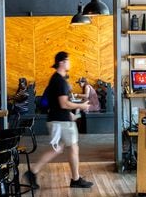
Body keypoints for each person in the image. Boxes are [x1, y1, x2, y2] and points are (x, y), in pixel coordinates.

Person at [24, 51, 94, 188]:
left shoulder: (57, 79)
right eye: (68, 60)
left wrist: (71, 114)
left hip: (59, 119)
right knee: (73, 148)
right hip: (61, 122)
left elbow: (59, 104)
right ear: (62, 62)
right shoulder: (60, 81)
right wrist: (81, 105)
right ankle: (75, 179)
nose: (70, 63)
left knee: (57, 149)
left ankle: (33, 172)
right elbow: (64, 104)